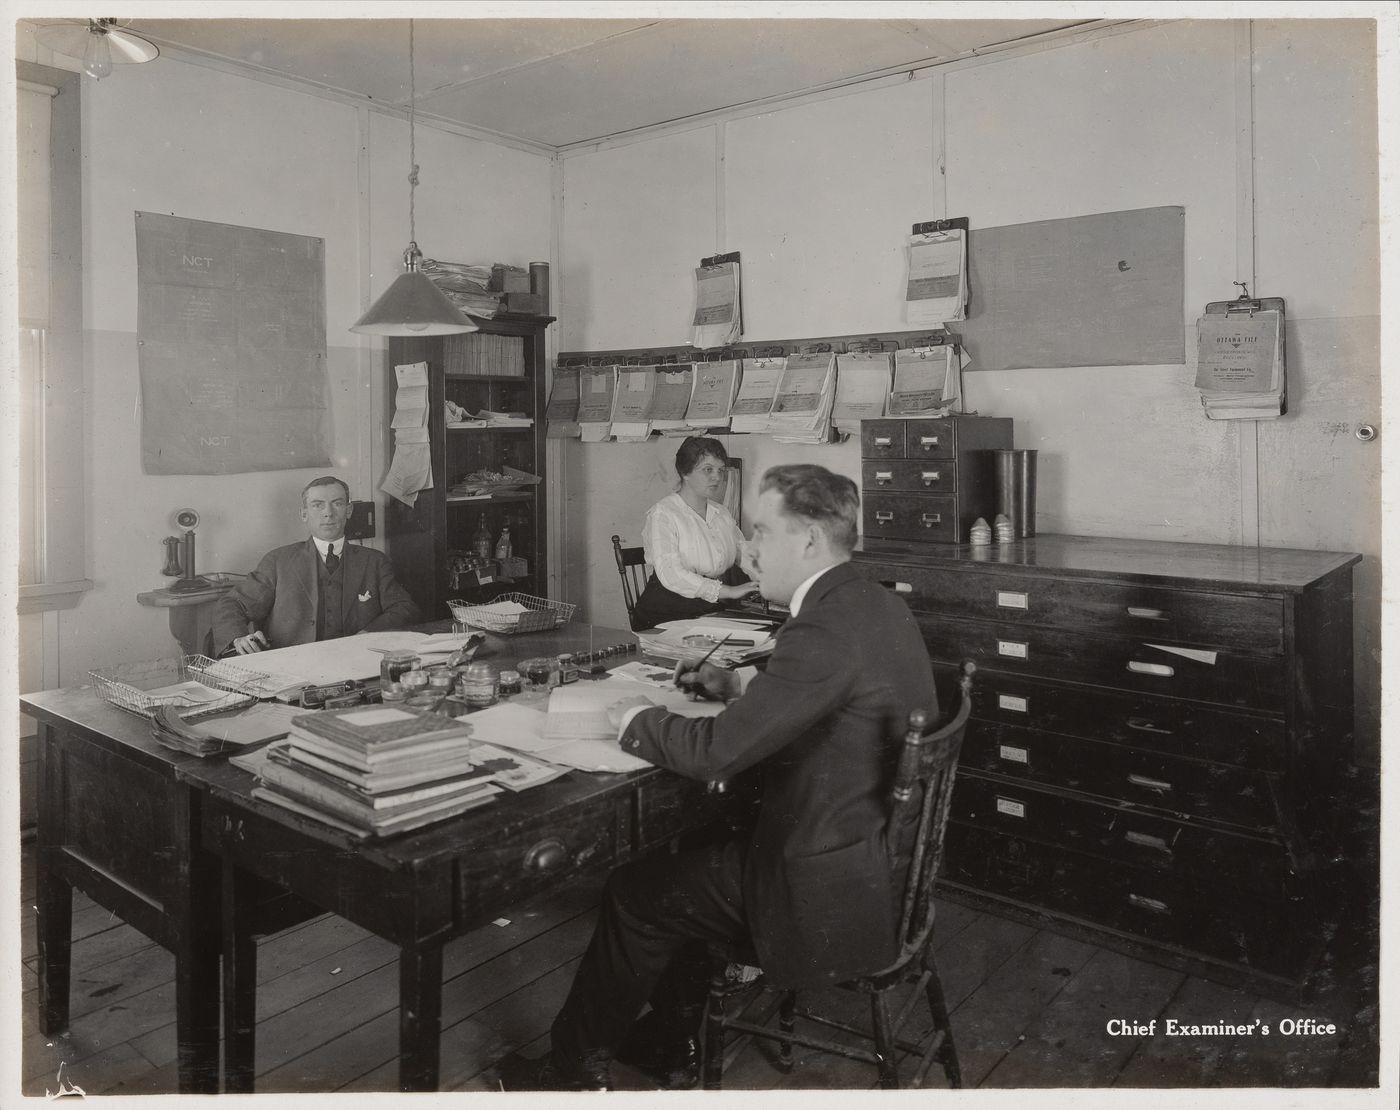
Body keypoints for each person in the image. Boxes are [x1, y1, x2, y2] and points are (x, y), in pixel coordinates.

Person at [497, 464, 938, 1091]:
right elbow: (834, 695)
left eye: (762, 532)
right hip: (876, 863)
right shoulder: (871, 601)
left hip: (826, 890)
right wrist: (742, 684)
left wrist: (634, 716)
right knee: (690, 855)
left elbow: (713, 753)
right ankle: (674, 1039)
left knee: (635, 891)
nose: (750, 550)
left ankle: (572, 1071)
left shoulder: (821, 627)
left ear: (810, 540)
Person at [212, 476, 418, 657]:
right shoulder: (278, 561)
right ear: (304, 514)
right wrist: (238, 638)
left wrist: (367, 635)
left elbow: (403, 607)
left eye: (337, 504)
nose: (328, 513)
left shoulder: (374, 561)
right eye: (317, 505)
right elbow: (232, 604)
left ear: (349, 510)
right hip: (293, 668)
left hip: (355, 662)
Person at [629, 436, 759, 631]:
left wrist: (769, 580)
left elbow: (743, 553)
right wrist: (729, 591)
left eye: (720, 470)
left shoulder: (721, 513)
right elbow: (672, 574)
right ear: (685, 472)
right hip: (667, 611)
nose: (717, 477)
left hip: (709, 607)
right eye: (708, 470)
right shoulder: (663, 514)